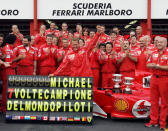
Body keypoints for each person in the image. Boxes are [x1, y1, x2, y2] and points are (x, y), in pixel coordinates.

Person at [145, 37, 168, 130]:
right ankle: (153, 121)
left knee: (164, 102)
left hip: (164, 79)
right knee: (153, 101)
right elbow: (147, 64)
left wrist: (157, 66)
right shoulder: (153, 53)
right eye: (157, 42)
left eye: (161, 42)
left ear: (165, 43)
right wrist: (154, 66)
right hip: (154, 78)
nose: (159, 44)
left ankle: (162, 123)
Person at [1, 34, 16, 113]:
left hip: (12, 70)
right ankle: (3, 108)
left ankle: (8, 107)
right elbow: (8, 61)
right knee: (6, 89)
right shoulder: (7, 48)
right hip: (7, 70)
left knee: (11, 89)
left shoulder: (11, 48)